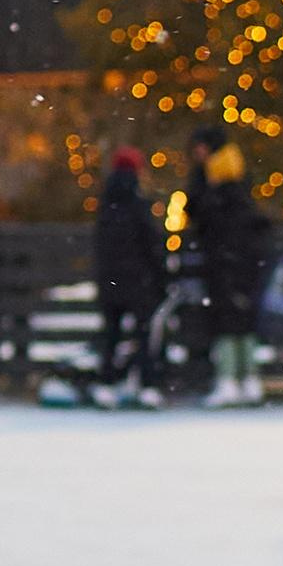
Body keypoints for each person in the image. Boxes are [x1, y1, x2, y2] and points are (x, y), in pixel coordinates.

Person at [189, 140, 268, 406]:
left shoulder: (214, 201)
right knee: (245, 326)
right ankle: (249, 379)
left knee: (225, 325)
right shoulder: (245, 200)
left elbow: (201, 222)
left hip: (223, 270)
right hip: (245, 271)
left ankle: (228, 380)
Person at [89, 146, 167, 406]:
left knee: (111, 334)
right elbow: (152, 243)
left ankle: (106, 382)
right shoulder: (138, 203)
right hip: (137, 281)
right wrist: (161, 273)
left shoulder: (105, 205)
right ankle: (147, 385)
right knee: (144, 334)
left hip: (110, 279)